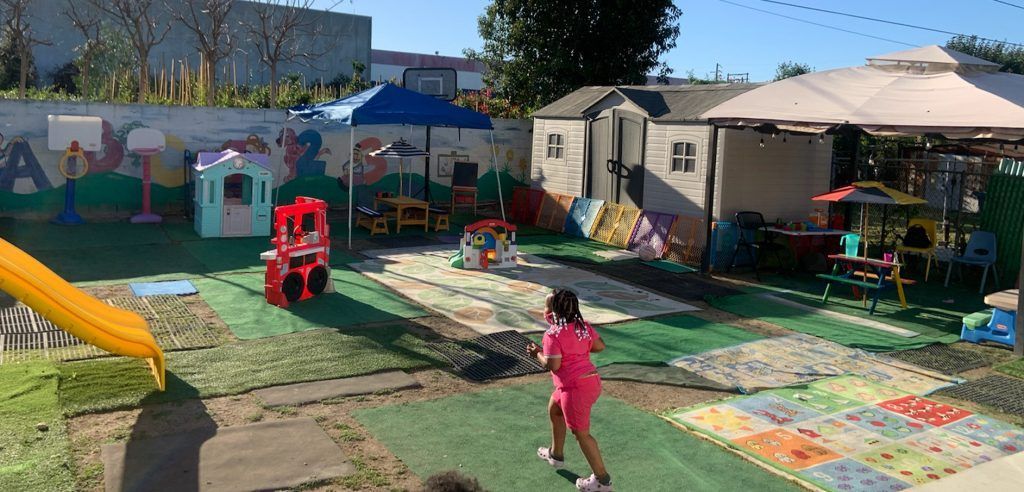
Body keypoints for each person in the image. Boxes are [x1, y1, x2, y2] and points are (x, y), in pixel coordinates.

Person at [526, 289, 612, 491]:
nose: (545, 310)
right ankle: (556, 455)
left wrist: (536, 353)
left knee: (582, 434)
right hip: (589, 382)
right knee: (555, 408)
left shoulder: (552, 335)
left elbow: (553, 365)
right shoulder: (582, 327)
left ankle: (602, 481)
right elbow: (599, 346)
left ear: (553, 311)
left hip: (575, 389)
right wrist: (578, 348)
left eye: (546, 306)